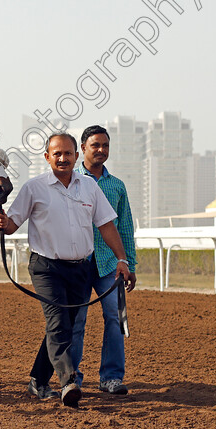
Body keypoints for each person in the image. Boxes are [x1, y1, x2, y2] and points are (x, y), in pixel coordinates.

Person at [0, 133, 136, 408]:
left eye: (67, 153)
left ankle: (37, 380)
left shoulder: (90, 188)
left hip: (80, 268)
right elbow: (13, 224)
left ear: (75, 155)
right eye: (56, 154)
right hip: (46, 267)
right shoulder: (34, 187)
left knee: (65, 327)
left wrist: (123, 259)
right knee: (59, 323)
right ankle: (67, 381)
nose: (62, 158)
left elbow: (107, 225)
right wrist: (4, 223)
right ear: (47, 157)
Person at [71, 125, 137, 394]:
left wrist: (128, 263)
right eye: (95, 145)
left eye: (105, 146)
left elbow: (125, 228)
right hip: (77, 264)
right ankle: (71, 377)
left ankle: (112, 378)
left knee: (117, 319)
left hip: (110, 266)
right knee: (76, 321)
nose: (101, 150)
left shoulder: (117, 185)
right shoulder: (70, 180)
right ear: (83, 148)